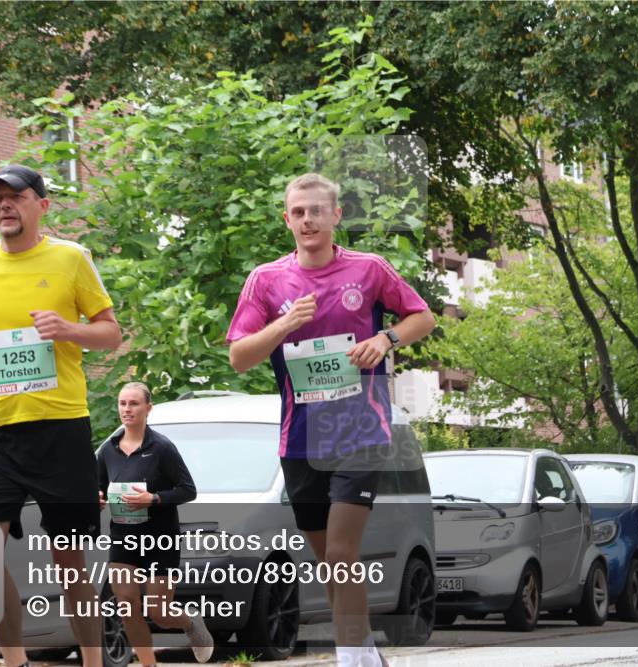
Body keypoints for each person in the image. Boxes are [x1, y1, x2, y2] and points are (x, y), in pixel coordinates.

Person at [227, 173, 436, 667]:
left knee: (342, 553)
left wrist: (386, 340)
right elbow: (239, 357)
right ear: (287, 219)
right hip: (300, 440)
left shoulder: (368, 270)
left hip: (361, 431)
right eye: (298, 212)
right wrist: (283, 324)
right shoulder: (266, 280)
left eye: (316, 211)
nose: (307, 220)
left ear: (335, 216)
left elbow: (422, 317)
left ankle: (350, 659)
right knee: (329, 562)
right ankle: (365, 653)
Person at [0, 164, 122, 667]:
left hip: (60, 426)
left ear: (41, 206)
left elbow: (110, 332)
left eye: (16, 197)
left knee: (69, 560)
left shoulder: (70, 259)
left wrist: (68, 329)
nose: (4, 205)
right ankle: (15, 660)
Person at [96, 382, 213, 664]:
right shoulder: (108, 450)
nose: (127, 409)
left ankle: (190, 622)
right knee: (126, 604)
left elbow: (188, 490)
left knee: (159, 613)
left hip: (160, 538)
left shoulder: (162, 448)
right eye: (122, 403)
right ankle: (149, 663)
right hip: (123, 536)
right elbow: (97, 487)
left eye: (134, 403)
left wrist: (154, 499)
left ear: (148, 408)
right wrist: (98, 498)